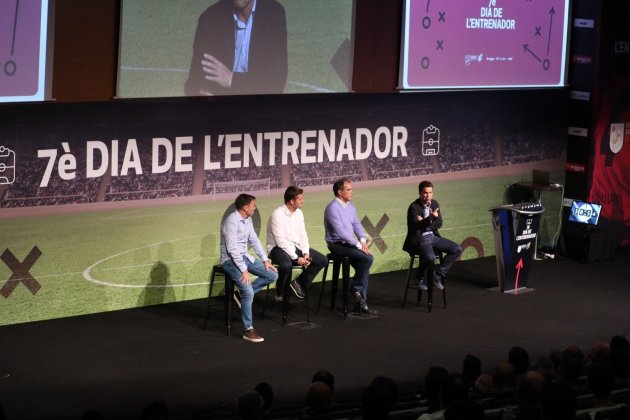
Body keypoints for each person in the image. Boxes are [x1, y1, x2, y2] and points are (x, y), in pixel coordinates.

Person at [184, 0, 288, 96]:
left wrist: (232, 80)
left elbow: (276, 82)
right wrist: (199, 94)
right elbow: (194, 81)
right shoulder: (210, 18)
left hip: (258, 106)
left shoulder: (273, 15)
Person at [220, 193, 278, 343]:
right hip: (230, 260)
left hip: (244, 256)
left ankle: (240, 296)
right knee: (248, 291)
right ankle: (248, 330)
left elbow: (254, 240)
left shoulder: (248, 220)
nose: (255, 207)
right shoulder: (231, 222)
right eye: (253, 205)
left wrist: (265, 260)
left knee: (272, 274)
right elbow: (232, 250)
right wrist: (243, 269)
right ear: (245, 208)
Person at [323, 179, 377, 315]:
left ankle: (361, 303)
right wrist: (359, 245)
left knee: (364, 267)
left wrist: (363, 241)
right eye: (348, 189)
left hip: (349, 245)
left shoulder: (351, 206)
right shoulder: (332, 208)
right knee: (368, 259)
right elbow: (341, 233)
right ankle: (355, 288)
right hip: (336, 245)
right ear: (340, 192)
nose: (351, 192)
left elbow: (357, 225)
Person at [267, 186, 327, 301]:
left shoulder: (299, 213)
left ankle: (298, 284)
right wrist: (296, 258)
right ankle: (280, 291)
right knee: (286, 265)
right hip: (277, 248)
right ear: (292, 201)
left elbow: (302, 234)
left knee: (322, 260)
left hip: (295, 246)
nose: (302, 201)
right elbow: (280, 241)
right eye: (300, 199)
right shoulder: (277, 214)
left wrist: (305, 252)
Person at [403, 180, 462, 291]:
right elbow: (415, 226)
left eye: (430, 192)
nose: (428, 195)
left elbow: (439, 223)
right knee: (430, 257)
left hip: (433, 237)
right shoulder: (413, 207)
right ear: (420, 193)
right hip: (420, 238)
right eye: (425, 193)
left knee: (457, 249)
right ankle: (418, 278)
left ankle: (437, 275)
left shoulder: (435, 204)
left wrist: (425, 223)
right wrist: (430, 219)